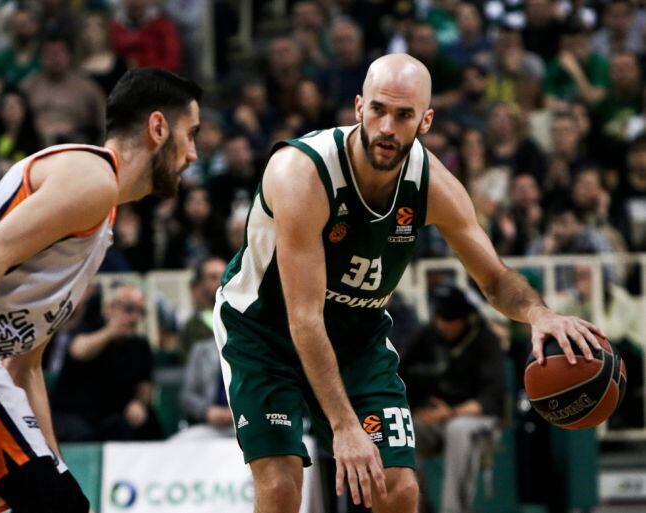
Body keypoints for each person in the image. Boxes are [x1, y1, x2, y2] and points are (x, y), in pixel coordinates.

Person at [213, 53, 605, 513]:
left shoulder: (433, 184)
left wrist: (539, 314)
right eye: (378, 109)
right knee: (280, 488)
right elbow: (304, 317)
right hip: (265, 332)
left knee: (396, 488)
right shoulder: (301, 174)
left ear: (426, 121)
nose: (386, 127)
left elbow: (495, 277)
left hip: (357, 340)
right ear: (358, 106)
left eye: (403, 116)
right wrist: (344, 427)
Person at [0, 68, 201, 513]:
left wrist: (57, 465)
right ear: (158, 128)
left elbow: (26, 365)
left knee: (28, 502)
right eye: (191, 133)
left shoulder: (98, 224)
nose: (195, 153)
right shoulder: (93, 177)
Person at [401, 285, 505, 513]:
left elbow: (491, 398)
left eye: (450, 321)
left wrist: (451, 413)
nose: (444, 326)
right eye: (440, 319)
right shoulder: (428, 335)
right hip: (436, 419)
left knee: (457, 429)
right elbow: (401, 373)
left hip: (477, 419)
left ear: (464, 319)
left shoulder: (485, 340)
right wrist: (419, 408)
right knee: (404, 427)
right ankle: (414, 508)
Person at [51, 285, 161, 442]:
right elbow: (79, 351)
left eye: (140, 312)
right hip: (74, 412)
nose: (135, 318)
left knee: (145, 424)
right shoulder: (87, 328)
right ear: (109, 308)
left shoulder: (140, 345)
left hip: (113, 414)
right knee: (79, 433)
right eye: (129, 309)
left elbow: (145, 386)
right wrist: (110, 332)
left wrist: (139, 403)